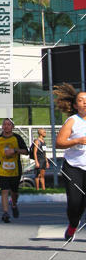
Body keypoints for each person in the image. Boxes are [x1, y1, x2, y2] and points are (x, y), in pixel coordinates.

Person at [53, 84, 86, 241]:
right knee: (75, 203)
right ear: (75, 105)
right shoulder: (72, 121)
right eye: (81, 100)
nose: (85, 102)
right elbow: (59, 143)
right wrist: (77, 140)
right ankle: (73, 224)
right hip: (74, 167)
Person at [0, 118, 29, 222]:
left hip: (15, 170)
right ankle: (5, 213)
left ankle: (14, 204)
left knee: (14, 192)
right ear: (2, 126)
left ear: (12, 127)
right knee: (4, 190)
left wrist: (15, 150)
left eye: (9, 124)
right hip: (2, 170)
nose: (6, 126)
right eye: (5, 124)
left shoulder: (17, 138)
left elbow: (26, 151)